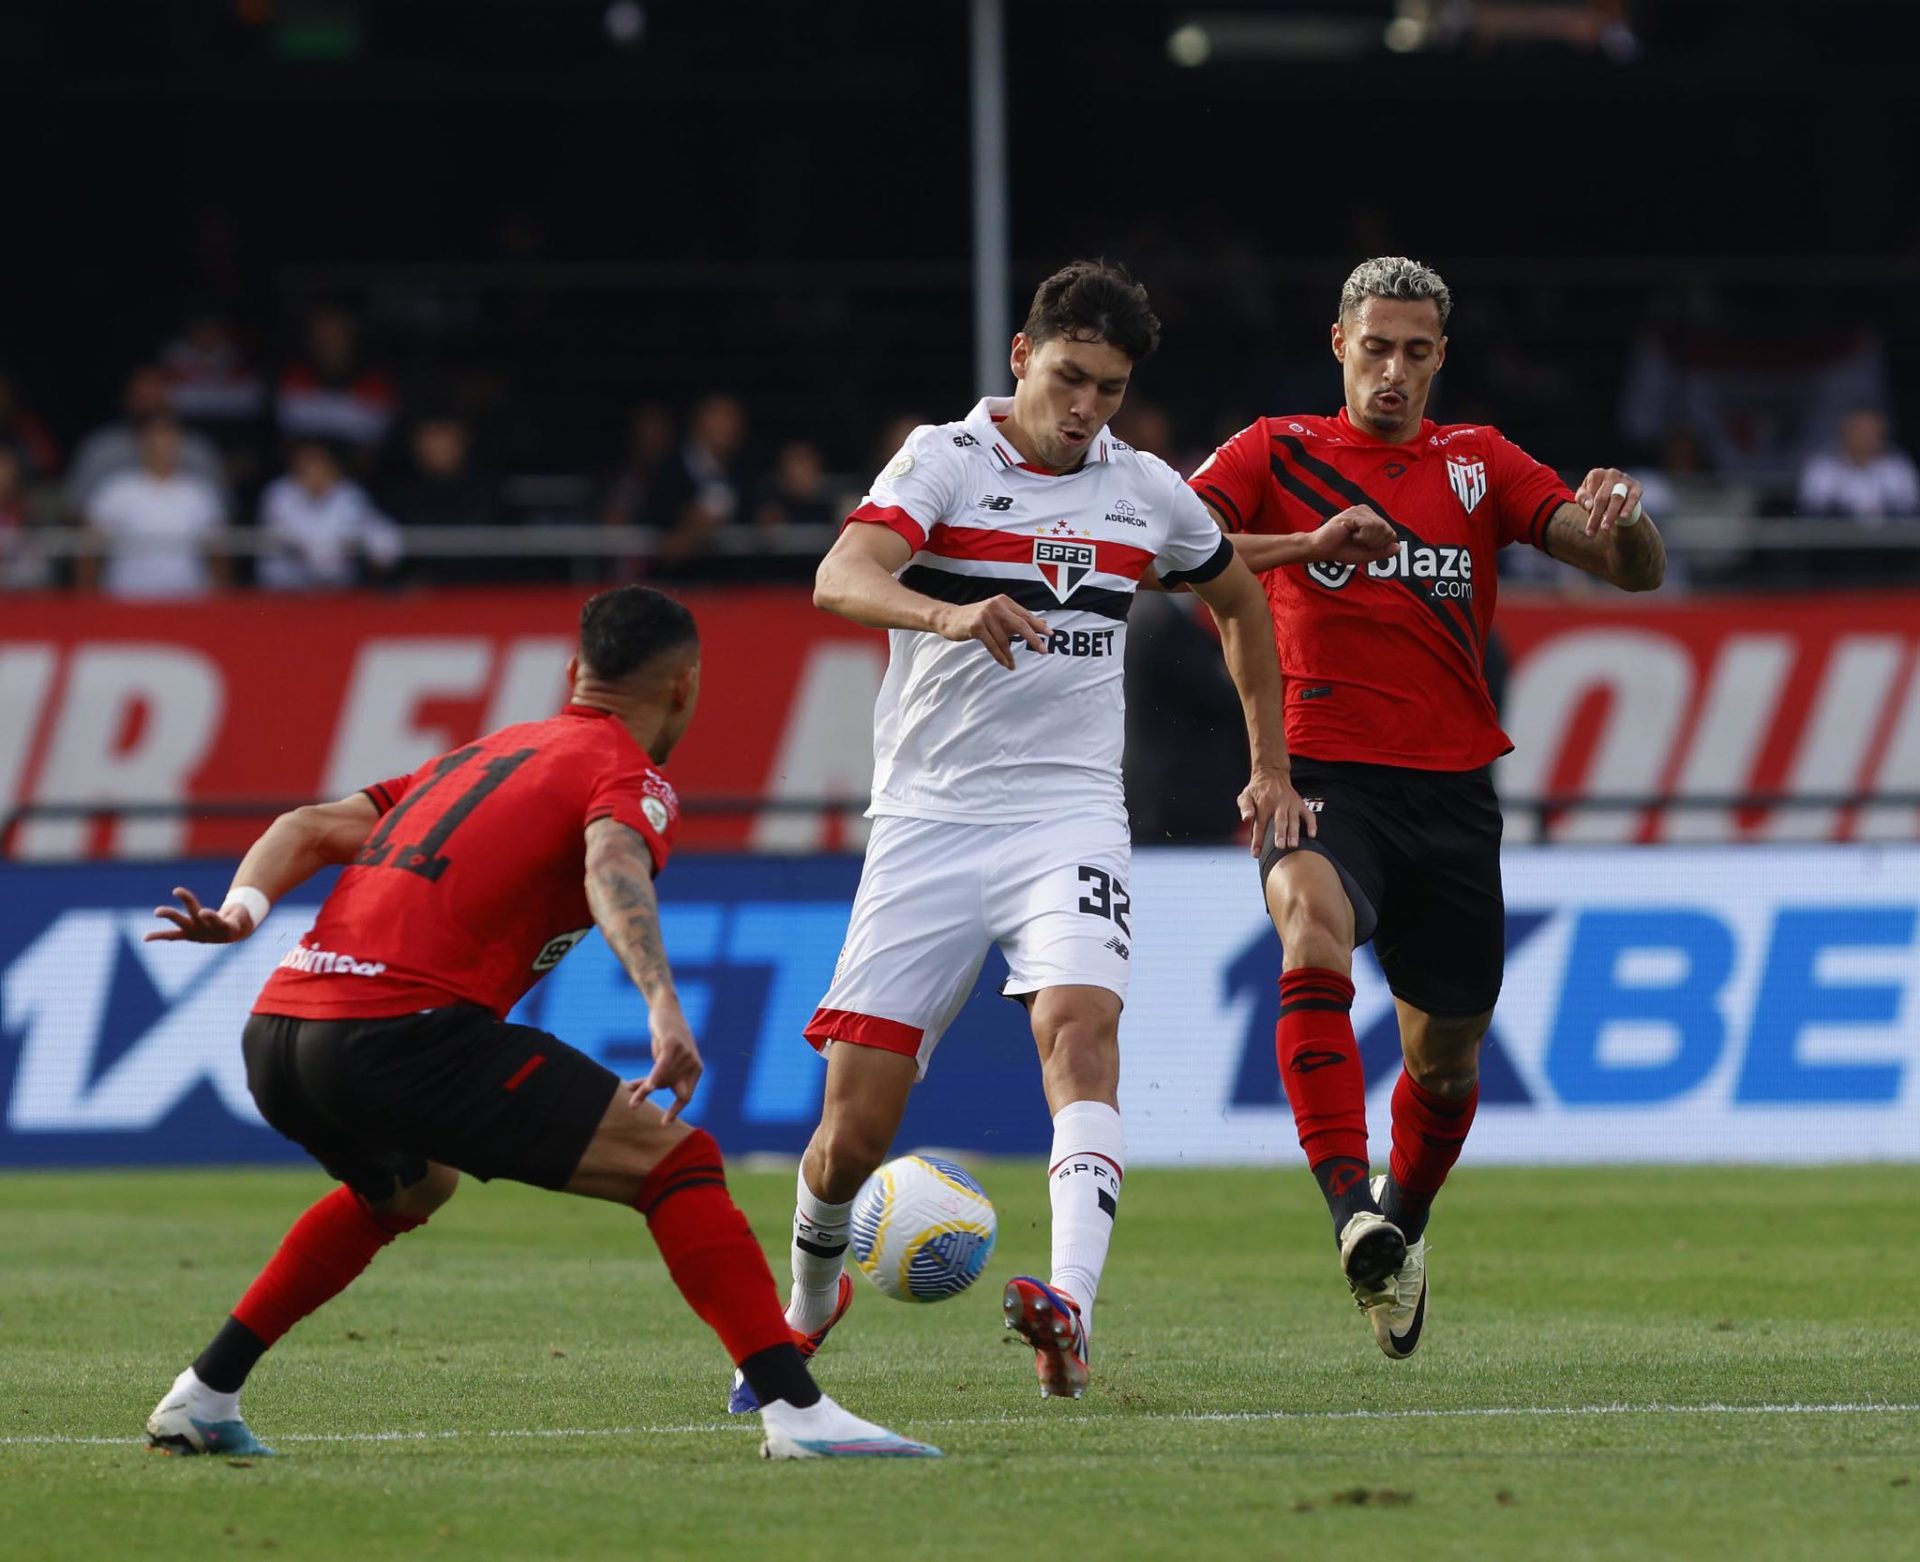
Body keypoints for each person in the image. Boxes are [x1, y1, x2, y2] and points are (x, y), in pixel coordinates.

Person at [141, 586, 937, 1462]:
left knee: (412, 1187)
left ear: (573, 672)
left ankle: (204, 1395)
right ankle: (797, 1413)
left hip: (280, 1032)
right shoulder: (625, 775)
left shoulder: (480, 755)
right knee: (676, 1162)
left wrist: (241, 911)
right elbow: (611, 863)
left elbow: (308, 825)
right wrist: (662, 1003)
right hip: (401, 1031)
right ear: (685, 687)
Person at [732, 260, 1306, 1411]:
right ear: (1022, 356)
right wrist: (948, 612)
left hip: (1071, 816)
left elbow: (1230, 591)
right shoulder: (944, 459)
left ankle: (1072, 1311)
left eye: (1111, 387)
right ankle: (807, 1303)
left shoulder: (1143, 487)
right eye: (1070, 377)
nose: (1087, 406)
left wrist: (1271, 763)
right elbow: (841, 575)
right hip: (929, 822)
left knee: (1081, 1032)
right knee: (852, 1132)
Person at [1189, 255, 1666, 1359]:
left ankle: (1399, 1226)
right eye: (1376, 349)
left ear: (1441, 356)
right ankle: (1349, 1207)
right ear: (1339, 345)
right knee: (1310, 929)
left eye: (1415, 352)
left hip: (1452, 792)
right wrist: (1308, 544)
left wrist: (1629, 522)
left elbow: (1627, 568)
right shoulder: (1275, 452)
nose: (1393, 371)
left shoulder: (1478, 462)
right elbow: (1167, 556)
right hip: (1317, 772)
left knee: (1446, 1061)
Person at [79, 413, 229, 598]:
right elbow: (88, 550)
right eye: (154, 435)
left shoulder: (201, 493)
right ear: (141, 442)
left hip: (189, 600)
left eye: (167, 435)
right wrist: (89, 600)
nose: (161, 443)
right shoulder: (116, 490)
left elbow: (218, 555)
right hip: (127, 600)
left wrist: (220, 599)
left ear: (179, 441)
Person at [257, 438, 404, 590]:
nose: (313, 470)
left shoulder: (349, 493)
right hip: (285, 586)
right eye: (307, 464)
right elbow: (304, 540)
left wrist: (381, 549)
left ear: (333, 467)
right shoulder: (279, 494)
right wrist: (328, 550)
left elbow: (376, 528)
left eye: (319, 463)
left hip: (338, 587)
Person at [1796, 407, 1920, 522]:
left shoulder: (1898, 467)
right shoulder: (1821, 466)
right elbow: (1812, 511)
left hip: (1890, 536)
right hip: (1832, 536)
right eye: (1859, 430)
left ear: (1882, 434)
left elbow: (1909, 510)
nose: (1865, 437)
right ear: (1844, 432)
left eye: (1871, 431)